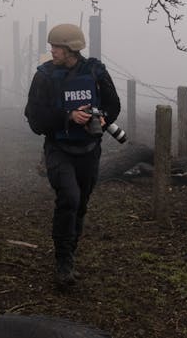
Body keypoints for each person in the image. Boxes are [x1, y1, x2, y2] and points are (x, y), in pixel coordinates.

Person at [24, 23, 121, 288]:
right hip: (58, 149)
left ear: (72, 49)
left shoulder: (95, 72)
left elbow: (113, 105)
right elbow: (34, 118)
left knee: (81, 204)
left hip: (89, 150)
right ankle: (63, 262)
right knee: (69, 198)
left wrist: (102, 119)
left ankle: (70, 252)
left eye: (57, 47)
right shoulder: (43, 76)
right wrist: (67, 116)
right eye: (52, 46)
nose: (52, 51)